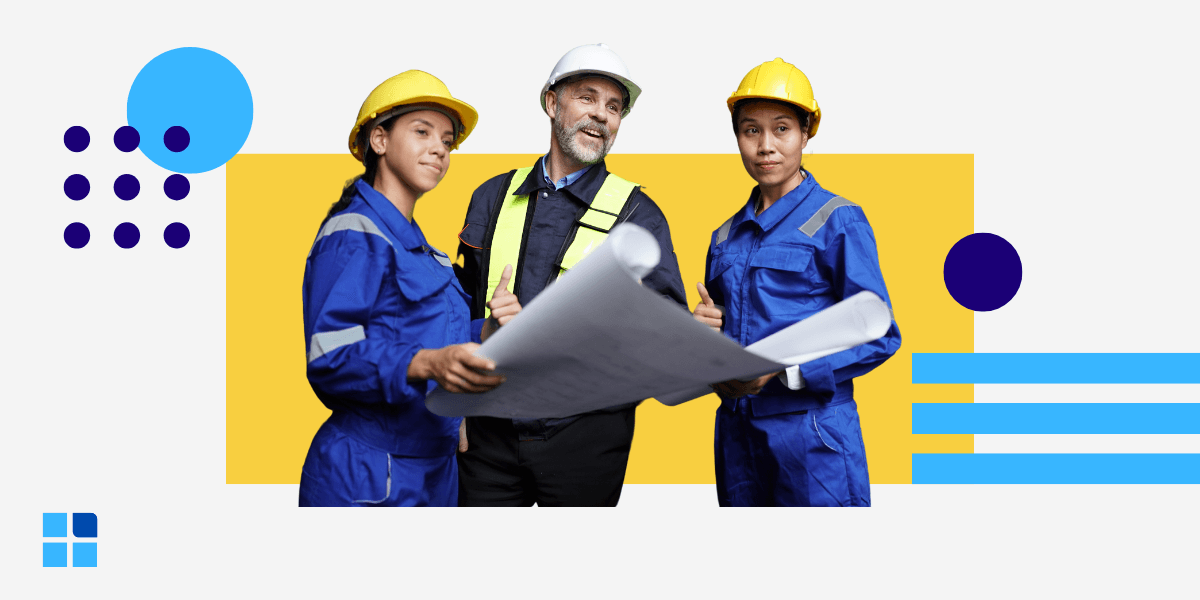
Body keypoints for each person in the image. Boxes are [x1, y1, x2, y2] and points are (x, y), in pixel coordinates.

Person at [454, 44, 687, 506]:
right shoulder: (492, 197)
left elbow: (663, 337)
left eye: (614, 106)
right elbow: (455, 305)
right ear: (552, 104)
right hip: (488, 431)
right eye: (587, 97)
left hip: (585, 435)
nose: (601, 115)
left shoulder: (639, 215)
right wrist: (452, 405)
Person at [299, 71, 517, 507]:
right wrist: (427, 363)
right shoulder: (355, 234)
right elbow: (330, 357)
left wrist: (491, 330)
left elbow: (437, 340)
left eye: (447, 140)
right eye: (422, 132)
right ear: (379, 140)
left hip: (434, 472)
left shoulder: (424, 254)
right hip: (369, 476)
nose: (439, 147)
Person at [692, 58, 902, 507]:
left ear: (806, 133)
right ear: (737, 138)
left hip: (812, 436)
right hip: (737, 435)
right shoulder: (724, 237)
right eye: (751, 131)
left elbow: (881, 335)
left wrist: (786, 374)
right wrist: (702, 337)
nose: (766, 146)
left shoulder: (837, 220)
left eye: (782, 129)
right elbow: (727, 339)